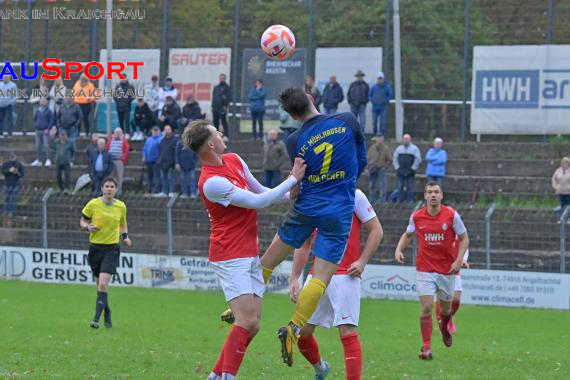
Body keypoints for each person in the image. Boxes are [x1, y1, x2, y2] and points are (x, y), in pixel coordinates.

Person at [181, 119, 306, 380]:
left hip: (248, 252)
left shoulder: (235, 159)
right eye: (218, 132)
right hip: (229, 256)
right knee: (247, 322)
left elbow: (263, 191)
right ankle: (228, 376)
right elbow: (258, 202)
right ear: (212, 144)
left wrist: (289, 194)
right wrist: (292, 177)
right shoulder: (211, 182)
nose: (222, 133)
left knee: (253, 325)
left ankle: (216, 375)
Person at [256, 87, 367, 367]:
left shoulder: (294, 140)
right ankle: (294, 327)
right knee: (320, 277)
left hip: (306, 205)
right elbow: (361, 161)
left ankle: (239, 304)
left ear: (292, 115)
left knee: (269, 258)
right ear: (311, 99)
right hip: (338, 209)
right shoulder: (348, 120)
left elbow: (300, 174)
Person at [290, 189, 383, 380]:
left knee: (347, 331)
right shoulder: (313, 195)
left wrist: (362, 261)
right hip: (318, 276)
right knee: (302, 333)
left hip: (345, 274)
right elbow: (304, 243)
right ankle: (321, 368)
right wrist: (294, 277)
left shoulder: (354, 195)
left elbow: (376, 230)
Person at [394, 182, 469, 360]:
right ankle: (426, 347)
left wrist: (459, 261)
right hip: (425, 269)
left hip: (446, 270)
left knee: (445, 311)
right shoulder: (417, 216)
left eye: (436, 192)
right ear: (425, 196)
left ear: (441, 196)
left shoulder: (451, 215)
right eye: (430, 192)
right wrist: (398, 249)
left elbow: (464, 238)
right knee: (427, 306)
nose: (433, 195)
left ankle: (444, 327)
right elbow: (408, 234)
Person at [80, 177, 132, 329]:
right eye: (107, 186)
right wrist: (87, 227)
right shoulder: (93, 204)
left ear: (116, 190)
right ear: (102, 188)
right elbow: (83, 220)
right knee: (100, 287)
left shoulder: (121, 206)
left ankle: (95, 320)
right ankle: (107, 311)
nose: (109, 189)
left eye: (112, 187)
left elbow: (123, 223)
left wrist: (125, 237)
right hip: (95, 248)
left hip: (111, 249)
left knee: (103, 284)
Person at [435, 243, 470, 336]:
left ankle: (447, 318)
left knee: (456, 299)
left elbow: (464, 247)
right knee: (441, 299)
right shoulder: (440, 232)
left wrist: (463, 259)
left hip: (454, 270)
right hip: (439, 268)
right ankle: (441, 323)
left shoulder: (459, 231)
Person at [393, 133, 421, 203]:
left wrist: (413, 168)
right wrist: (397, 168)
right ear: (403, 140)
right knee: (399, 187)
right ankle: (399, 202)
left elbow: (418, 159)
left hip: (410, 172)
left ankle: (410, 202)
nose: (406, 140)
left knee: (410, 188)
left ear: (410, 140)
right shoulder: (398, 149)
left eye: (407, 139)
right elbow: (394, 159)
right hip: (400, 172)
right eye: (405, 139)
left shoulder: (415, 148)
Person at [366, 133, 392, 204]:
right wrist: (367, 168)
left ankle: (382, 201)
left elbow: (389, 160)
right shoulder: (372, 148)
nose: (379, 139)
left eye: (380, 137)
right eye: (378, 138)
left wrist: (384, 167)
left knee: (383, 185)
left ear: (383, 138)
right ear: (376, 139)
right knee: (372, 185)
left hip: (381, 169)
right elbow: (368, 158)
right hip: (372, 168)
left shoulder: (386, 148)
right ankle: (371, 201)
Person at [1, 152, 24, 227]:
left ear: (16, 157)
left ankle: (11, 213)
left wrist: (16, 172)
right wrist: (9, 171)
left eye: (13, 157)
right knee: (6, 198)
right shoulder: (6, 164)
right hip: (7, 184)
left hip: (15, 184)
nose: (12, 158)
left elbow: (22, 175)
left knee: (12, 199)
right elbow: (3, 172)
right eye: (11, 157)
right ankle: (5, 212)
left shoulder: (19, 165)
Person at [105, 128, 130, 195]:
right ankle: (109, 191)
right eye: (117, 132)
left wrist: (122, 158)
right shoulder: (110, 139)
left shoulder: (124, 140)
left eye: (119, 133)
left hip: (119, 161)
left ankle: (118, 192)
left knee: (119, 176)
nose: (118, 134)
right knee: (110, 176)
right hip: (111, 161)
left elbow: (126, 150)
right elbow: (107, 148)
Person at [57, 97, 82, 163]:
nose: (67, 99)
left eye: (69, 98)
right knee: (61, 144)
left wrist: (76, 125)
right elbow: (58, 116)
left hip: (72, 128)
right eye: (66, 98)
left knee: (72, 144)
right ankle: (62, 159)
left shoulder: (76, 106)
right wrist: (59, 125)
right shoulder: (61, 106)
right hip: (62, 127)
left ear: (72, 98)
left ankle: (71, 159)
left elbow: (80, 117)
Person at [369, 71, 393, 137]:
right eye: (378, 78)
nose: (380, 80)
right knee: (374, 122)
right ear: (377, 79)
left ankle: (383, 136)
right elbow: (369, 95)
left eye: (381, 78)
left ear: (383, 79)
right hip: (375, 107)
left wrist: (385, 101)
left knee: (383, 123)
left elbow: (390, 95)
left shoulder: (387, 87)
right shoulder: (373, 87)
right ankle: (375, 136)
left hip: (383, 108)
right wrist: (372, 100)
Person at [31, 98, 53, 167]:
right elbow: (35, 119)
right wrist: (35, 126)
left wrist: (48, 129)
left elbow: (51, 121)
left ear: (47, 102)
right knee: (38, 146)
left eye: (44, 101)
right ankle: (38, 160)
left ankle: (48, 159)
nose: (43, 102)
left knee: (46, 145)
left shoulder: (49, 111)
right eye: (41, 101)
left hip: (45, 131)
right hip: (38, 130)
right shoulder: (37, 110)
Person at [156, 125, 177, 197]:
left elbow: (176, 152)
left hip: (171, 163)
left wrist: (175, 162)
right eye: (165, 130)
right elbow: (160, 151)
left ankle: (172, 191)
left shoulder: (175, 140)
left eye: (168, 129)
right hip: (163, 163)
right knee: (163, 178)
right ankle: (164, 191)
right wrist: (159, 160)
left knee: (171, 178)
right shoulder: (162, 140)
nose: (167, 131)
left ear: (171, 130)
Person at [113, 74, 136, 139]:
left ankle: (128, 133)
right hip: (119, 107)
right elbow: (114, 96)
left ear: (126, 78)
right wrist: (118, 102)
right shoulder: (118, 86)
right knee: (120, 121)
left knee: (126, 120)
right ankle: (121, 133)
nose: (123, 79)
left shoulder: (130, 87)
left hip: (127, 107)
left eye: (124, 78)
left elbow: (133, 96)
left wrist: (126, 102)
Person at [143, 126, 163, 195]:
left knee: (157, 176)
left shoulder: (160, 139)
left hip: (155, 161)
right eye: (154, 131)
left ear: (159, 132)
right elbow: (145, 149)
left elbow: (161, 151)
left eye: (156, 131)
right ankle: (149, 190)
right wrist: (144, 156)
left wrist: (159, 159)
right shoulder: (149, 139)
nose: (155, 132)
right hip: (148, 161)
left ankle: (157, 190)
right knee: (149, 177)